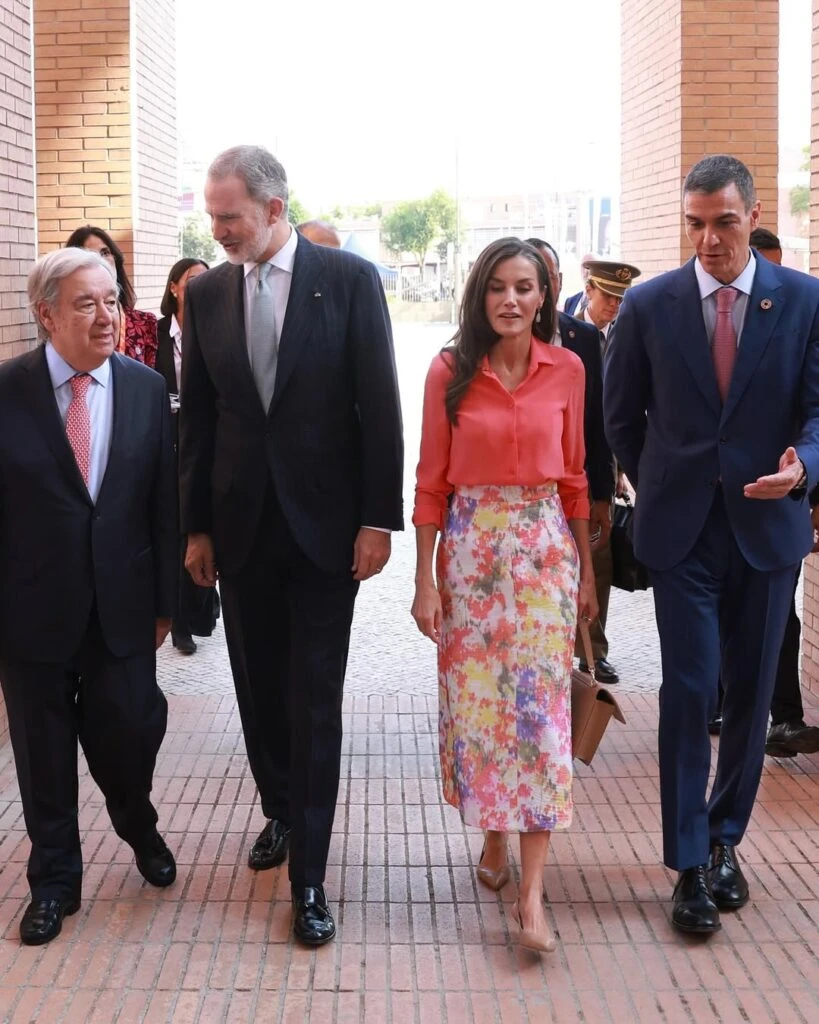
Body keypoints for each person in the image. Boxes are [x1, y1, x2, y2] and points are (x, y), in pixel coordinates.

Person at [179, 145, 404, 947]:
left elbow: (378, 404)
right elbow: (197, 420)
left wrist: (379, 518)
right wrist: (196, 527)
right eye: (212, 216)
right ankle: (280, 806)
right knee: (257, 690)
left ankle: (308, 871)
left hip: (324, 532)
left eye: (229, 216)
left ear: (275, 209)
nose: (219, 229)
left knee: (313, 697)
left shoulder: (347, 282)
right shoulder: (203, 294)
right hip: (239, 530)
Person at [604, 154, 819, 936]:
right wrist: (656, 481)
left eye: (723, 222)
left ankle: (726, 839)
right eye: (694, 223)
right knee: (690, 689)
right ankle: (688, 861)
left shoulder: (802, 300)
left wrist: (805, 466)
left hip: (766, 530)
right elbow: (620, 416)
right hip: (680, 531)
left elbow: (818, 408)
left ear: (752, 215)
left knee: (750, 699)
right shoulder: (651, 304)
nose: (707, 239)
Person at [411, 237, 597, 955]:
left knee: (541, 714)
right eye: (496, 287)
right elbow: (430, 480)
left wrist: (582, 568)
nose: (510, 300)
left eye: (524, 287)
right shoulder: (449, 371)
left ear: (544, 295)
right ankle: (492, 831)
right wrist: (423, 580)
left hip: (545, 550)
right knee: (485, 711)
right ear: (478, 295)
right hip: (471, 552)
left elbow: (577, 476)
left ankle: (531, 898)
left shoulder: (569, 370)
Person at [0, 248, 178, 946]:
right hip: (29, 609)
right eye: (86, 304)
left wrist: (169, 602)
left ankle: (136, 821)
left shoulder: (141, 387)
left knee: (130, 733)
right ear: (46, 315)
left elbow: (163, 501)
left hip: (124, 605)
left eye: (112, 300)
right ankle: (54, 883)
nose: (107, 317)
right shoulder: (7, 391)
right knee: (42, 754)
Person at [569, 258, 642, 683]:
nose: (614, 305)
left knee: (598, 559)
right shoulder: (564, 328)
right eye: (608, 296)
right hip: (566, 457)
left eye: (621, 298)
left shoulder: (628, 332)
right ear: (588, 289)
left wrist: (616, 466)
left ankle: (593, 651)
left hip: (603, 464)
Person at [526, 238, 616, 562]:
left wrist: (603, 495)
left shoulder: (585, 339)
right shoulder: (497, 347)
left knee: (588, 587)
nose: (538, 285)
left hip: (580, 491)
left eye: (546, 274)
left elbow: (597, 420)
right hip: (528, 497)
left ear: (560, 281)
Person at [155, 258, 220, 655]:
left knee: (202, 527)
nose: (200, 287)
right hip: (164, 447)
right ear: (174, 287)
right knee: (177, 532)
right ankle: (180, 620)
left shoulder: (217, 329)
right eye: (192, 281)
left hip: (204, 447)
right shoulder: (155, 333)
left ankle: (199, 607)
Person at [65, 225, 159, 368]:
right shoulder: (67, 323)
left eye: (105, 253)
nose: (101, 261)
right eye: (90, 255)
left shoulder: (144, 322)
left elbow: (153, 381)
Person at [562, 251, 595, 316]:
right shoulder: (570, 302)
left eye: (589, 267)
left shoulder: (603, 303)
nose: (586, 271)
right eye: (584, 267)